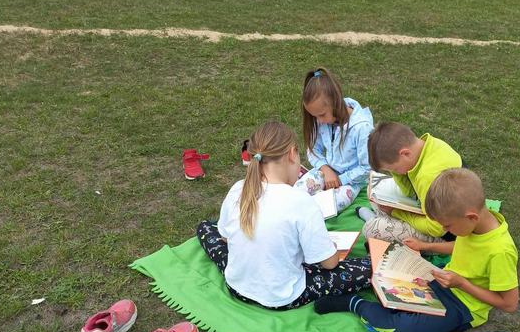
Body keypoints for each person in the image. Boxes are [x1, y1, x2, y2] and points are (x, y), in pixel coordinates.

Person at [315, 168, 518, 332]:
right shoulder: (474, 225)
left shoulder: (501, 251)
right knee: (391, 284)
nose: (444, 230)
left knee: (403, 329)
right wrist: (425, 246)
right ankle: (398, 329)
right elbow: (463, 247)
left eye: (447, 226)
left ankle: (354, 303)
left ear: (471, 217)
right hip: (442, 281)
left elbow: (509, 304)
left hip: (463, 306)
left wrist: (462, 283)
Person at [196, 121, 372, 309]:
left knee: (206, 228)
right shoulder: (301, 201)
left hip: (237, 285)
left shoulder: (239, 188)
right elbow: (329, 264)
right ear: (292, 154)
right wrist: (332, 248)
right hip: (283, 295)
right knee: (369, 268)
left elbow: (224, 237)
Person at [359, 122, 462, 246]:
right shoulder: (431, 144)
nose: (397, 173)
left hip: (449, 234)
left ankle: (377, 220)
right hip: (431, 210)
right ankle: (381, 219)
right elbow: (409, 192)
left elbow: (436, 229)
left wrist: (397, 213)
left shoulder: (427, 177)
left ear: (405, 154)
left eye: (394, 169)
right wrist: (398, 173)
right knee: (377, 198)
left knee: (371, 230)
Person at [295, 67, 374, 213]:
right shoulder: (322, 119)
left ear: (335, 102)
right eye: (314, 116)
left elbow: (367, 168)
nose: (319, 120)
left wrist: (340, 179)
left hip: (351, 182)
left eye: (321, 115)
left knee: (326, 206)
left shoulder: (362, 128)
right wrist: (326, 169)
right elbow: (313, 150)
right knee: (296, 193)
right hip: (326, 172)